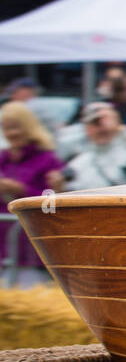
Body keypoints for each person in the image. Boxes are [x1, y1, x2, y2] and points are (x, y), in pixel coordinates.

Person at [0, 102, 65, 284]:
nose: (11, 133)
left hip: (33, 253)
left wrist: (20, 191)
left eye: (16, 127)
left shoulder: (47, 160)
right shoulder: (3, 160)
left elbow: (51, 204)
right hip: (4, 251)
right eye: (6, 128)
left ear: (28, 126)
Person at [63, 102, 126, 190]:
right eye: (93, 123)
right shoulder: (79, 161)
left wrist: (120, 129)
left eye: (104, 120)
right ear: (86, 128)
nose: (100, 128)